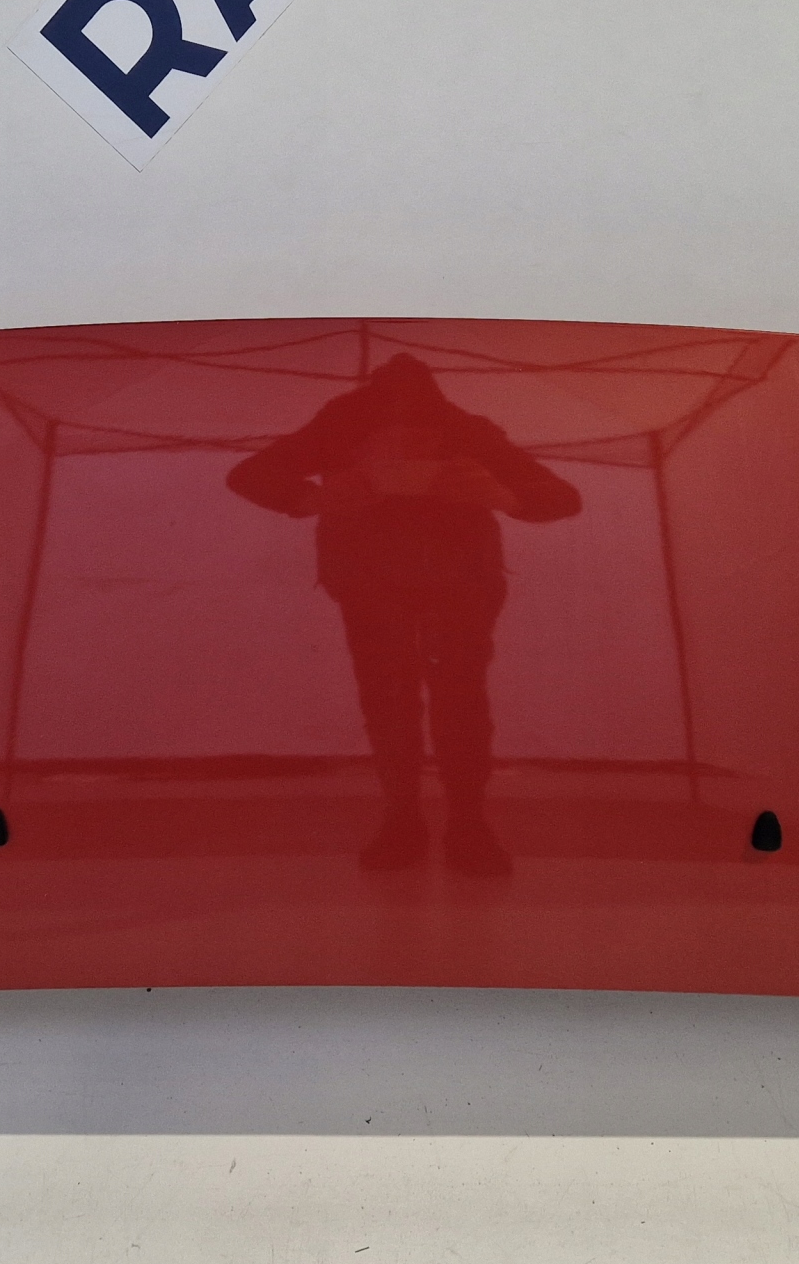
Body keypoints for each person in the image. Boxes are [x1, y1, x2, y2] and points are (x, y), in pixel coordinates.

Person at [227, 355, 582, 877]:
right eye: (393, 430)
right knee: (404, 699)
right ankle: (422, 821)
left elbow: (563, 498)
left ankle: (450, 823)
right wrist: (318, 498)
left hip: (452, 584)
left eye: (419, 433)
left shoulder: (464, 433)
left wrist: (499, 494)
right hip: (381, 584)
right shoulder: (347, 428)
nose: (405, 438)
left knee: (443, 699)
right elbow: (249, 476)